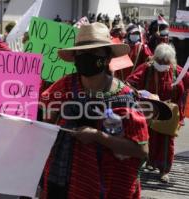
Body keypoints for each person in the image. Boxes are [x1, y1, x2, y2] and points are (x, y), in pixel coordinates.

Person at [40, 23, 149, 199]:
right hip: (64, 183)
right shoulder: (65, 85)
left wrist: (98, 136)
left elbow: (141, 150)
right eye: (81, 53)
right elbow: (43, 120)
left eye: (93, 53)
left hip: (109, 186)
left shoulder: (125, 96)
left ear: (107, 58)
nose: (85, 58)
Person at [126, 43, 189, 183]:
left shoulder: (177, 72)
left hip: (168, 113)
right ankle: (148, 163)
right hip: (149, 111)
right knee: (147, 139)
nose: (162, 64)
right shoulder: (146, 68)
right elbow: (130, 82)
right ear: (155, 58)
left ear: (171, 61)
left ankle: (164, 171)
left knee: (166, 142)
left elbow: (186, 85)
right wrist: (136, 91)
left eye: (165, 62)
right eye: (159, 61)